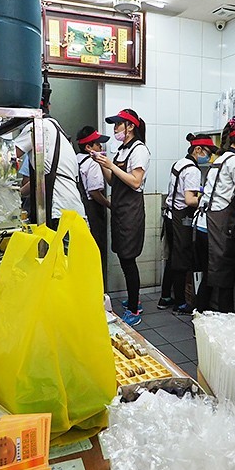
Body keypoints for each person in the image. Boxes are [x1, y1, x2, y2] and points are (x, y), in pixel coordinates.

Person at [195, 120, 235, 313]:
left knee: (207, 275)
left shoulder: (219, 159)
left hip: (202, 223)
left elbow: (223, 194)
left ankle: (200, 315)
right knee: (224, 277)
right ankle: (224, 321)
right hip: (217, 226)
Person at [94, 109, 150, 326]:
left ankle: (135, 309)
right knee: (124, 258)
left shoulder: (139, 150)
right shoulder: (122, 151)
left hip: (131, 213)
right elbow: (113, 182)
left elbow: (135, 182)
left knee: (129, 259)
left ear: (130, 126)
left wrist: (111, 166)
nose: (115, 128)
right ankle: (134, 298)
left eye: (118, 124)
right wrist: (103, 164)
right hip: (120, 211)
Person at [160, 134, 218, 314]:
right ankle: (180, 303)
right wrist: (208, 200)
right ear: (198, 150)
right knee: (181, 259)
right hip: (181, 218)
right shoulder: (192, 170)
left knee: (172, 257)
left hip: (170, 216)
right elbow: (189, 200)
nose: (209, 157)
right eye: (208, 152)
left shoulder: (179, 163)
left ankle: (165, 297)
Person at [13, 113, 86, 229]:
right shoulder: (59, 133)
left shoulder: (38, 127)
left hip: (59, 212)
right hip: (75, 212)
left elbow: (6, 158)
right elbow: (42, 179)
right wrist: (16, 194)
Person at [76, 126, 112, 279]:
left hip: (79, 213)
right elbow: (94, 192)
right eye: (98, 144)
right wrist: (109, 204)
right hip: (93, 214)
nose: (101, 147)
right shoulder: (92, 163)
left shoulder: (76, 159)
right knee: (97, 252)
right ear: (88, 147)